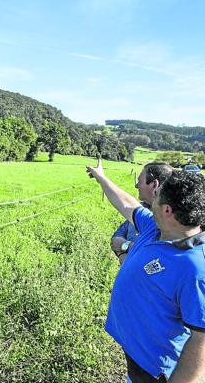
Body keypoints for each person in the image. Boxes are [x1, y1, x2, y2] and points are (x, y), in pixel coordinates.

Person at [87, 159, 205, 383]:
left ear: (167, 210)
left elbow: (201, 342)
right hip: (135, 357)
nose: (151, 200)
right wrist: (101, 177)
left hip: (155, 372)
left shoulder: (195, 268)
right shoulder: (156, 227)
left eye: (157, 196)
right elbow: (127, 204)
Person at [111, 163, 173, 264]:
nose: (136, 185)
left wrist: (125, 246)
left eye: (139, 181)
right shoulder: (142, 208)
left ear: (154, 184)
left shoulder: (168, 219)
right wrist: (123, 253)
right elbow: (117, 237)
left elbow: (155, 257)